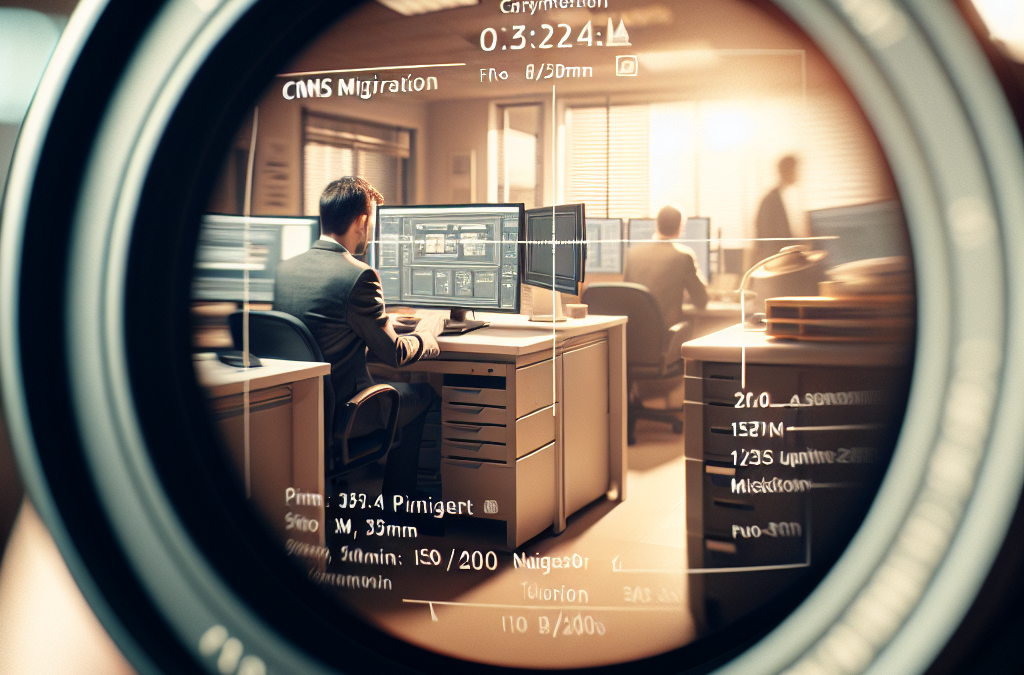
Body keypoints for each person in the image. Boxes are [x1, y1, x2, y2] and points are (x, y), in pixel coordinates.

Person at [273, 177, 442, 497]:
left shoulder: (286, 270)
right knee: (425, 395)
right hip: (346, 412)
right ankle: (403, 511)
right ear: (363, 221)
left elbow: (323, 328)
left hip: (296, 412)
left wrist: (377, 321)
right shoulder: (359, 275)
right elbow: (395, 354)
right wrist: (427, 334)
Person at [624, 205, 708, 329]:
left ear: (656, 225)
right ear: (680, 228)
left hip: (634, 332)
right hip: (665, 333)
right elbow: (701, 301)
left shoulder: (631, 254)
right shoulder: (683, 257)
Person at [751, 154, 800, 267]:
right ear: (787, 171)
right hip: (775, 263)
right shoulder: (772, 200)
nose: (798, 174)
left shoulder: (780, 197)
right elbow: (772, 240)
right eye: (795, 170)